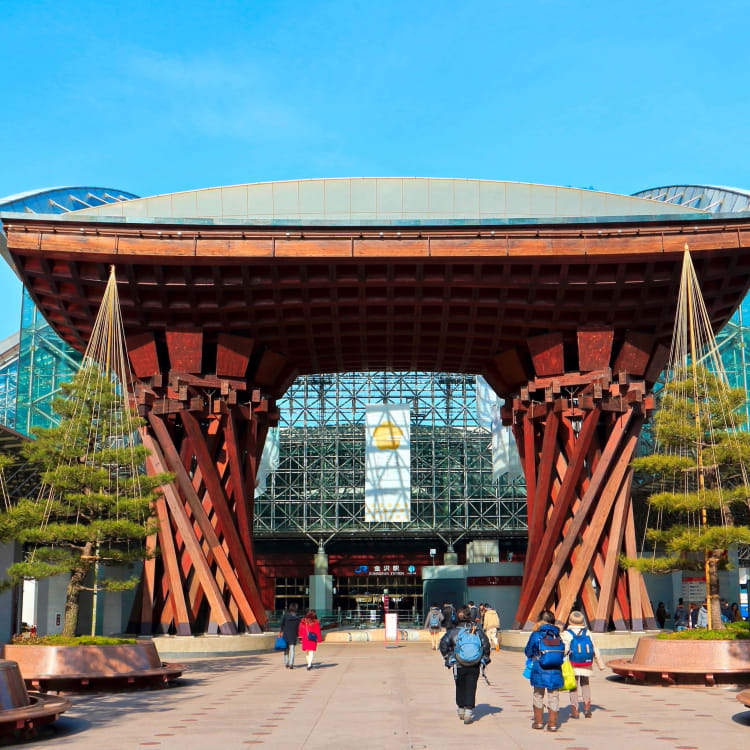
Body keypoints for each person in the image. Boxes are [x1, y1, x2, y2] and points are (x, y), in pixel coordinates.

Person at [439, 605, 490, 725]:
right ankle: (468, 711)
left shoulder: (453, 632)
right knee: (471, 687)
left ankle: (461, 709)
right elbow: (486, 645)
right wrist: (484, 658)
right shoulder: (476, 631)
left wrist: (449, 658)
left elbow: (443, 645)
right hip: (475, 664)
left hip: (459, 663)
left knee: (460, 685)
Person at [524, 609, 564, 732]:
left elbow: (528, 651)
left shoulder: (536, 634)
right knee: (554, 696)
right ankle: (552, 724)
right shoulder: (557, 634)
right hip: (555, 669)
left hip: (539, 668)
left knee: (538, 694)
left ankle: (538, 722)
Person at [560, 610, 606, 719]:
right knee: (585, 685)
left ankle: (575, 711)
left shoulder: (566, 634)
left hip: (573, 664)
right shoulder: (587, 633)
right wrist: (600, 664)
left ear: (570, 621)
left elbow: (565, 650)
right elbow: (595, 649)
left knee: (573, 686)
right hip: (586, 664)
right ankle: (586, 709)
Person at [278, 602, 301, 669]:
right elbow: (298, 627)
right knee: (292, 649)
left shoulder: (285, 615)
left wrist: (280, 631)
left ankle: (286, 662)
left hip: (286, 634)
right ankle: (291, 663)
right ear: (296, 609)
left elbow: (281, 624)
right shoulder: (297, 617)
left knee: (286, 649)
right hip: (293, 635)